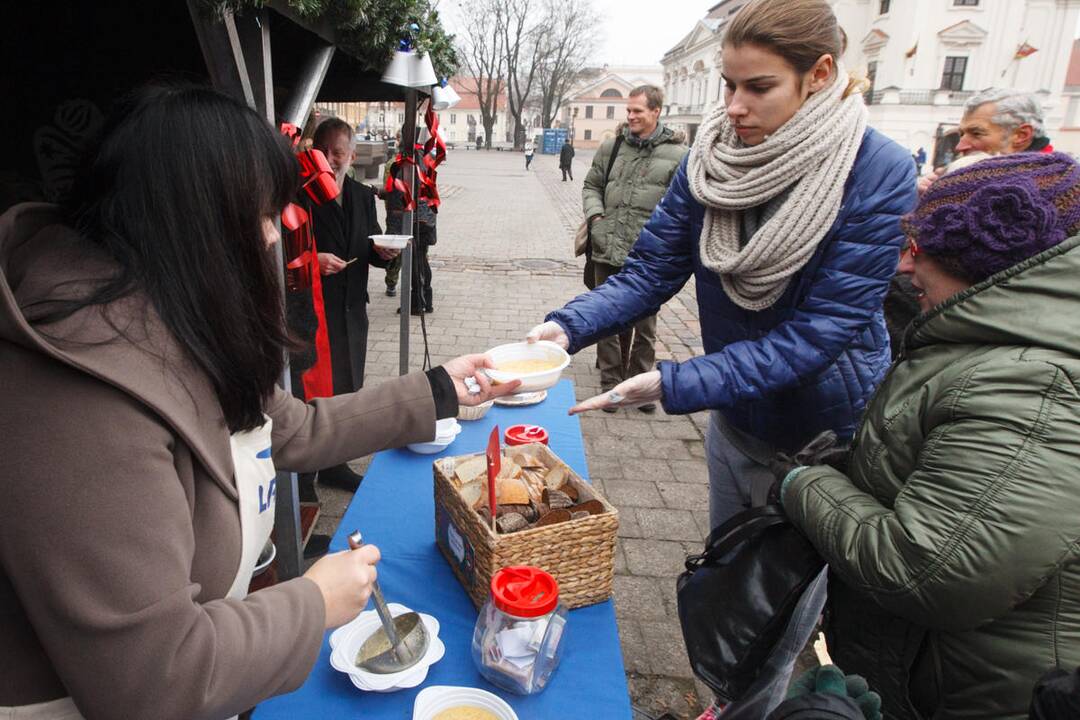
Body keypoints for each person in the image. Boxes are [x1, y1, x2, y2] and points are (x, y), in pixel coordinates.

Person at [0, 84, 516, 719]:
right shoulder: (75, 400)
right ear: (196, 224)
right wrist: (313, 602)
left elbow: (291, 428)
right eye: (265, 216)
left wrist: (439, 388)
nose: (275, 239)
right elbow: (155, 680)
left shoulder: (164, 312)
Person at [528, 0, 915, 715]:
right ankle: (726, 697)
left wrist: (673, 382)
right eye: (728, 85)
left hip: (823, 438)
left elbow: (823, 332)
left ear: (818, 75)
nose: (732, 106)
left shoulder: (878, 170)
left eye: (756, 87)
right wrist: (562, 328)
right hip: (739, 412)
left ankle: (746, 709)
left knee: (777, 605)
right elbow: (649, 272)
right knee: (727, 577)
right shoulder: (711, 157)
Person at [777, 152, 1080, 720]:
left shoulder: (1033, 386)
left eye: (918, 251)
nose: (903, 269)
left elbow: (928, 569)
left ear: (986, 267)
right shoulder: (994, 346)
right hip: (932, 670)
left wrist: (803, 485)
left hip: (969, 694)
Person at [580, 84, 688, 413]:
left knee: (646, 322)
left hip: (650, 254)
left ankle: (639, 384)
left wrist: (666, 240)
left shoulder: (679, 155)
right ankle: (611, 384)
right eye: (629, 111)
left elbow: (682, 206)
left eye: (638, 111)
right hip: (607, 244)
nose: (631, 116)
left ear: (656, 111)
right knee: (605, 319)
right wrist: (597, 217)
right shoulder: (612, 146)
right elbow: (591, 185)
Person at [305, 117, 399, 491]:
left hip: (352, 310)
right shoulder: (302, 195)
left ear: (352, 155)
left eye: (338, 152)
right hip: (314, 311)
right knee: (315, 394)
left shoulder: (361, 196)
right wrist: (315, 261)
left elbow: (368, 248)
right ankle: (306, 473)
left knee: (347, 387)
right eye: (323, 151)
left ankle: (335, 463)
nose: (330, 159)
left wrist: (387, 253)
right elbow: (280, 257)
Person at [918, 88, 1051, 195]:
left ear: (1021, 135)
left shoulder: (1052, 190)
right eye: (962, 134)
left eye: (976, 133)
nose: (959, 146)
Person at [384, 125, 436, 314]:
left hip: (414, 219)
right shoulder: (424, 155)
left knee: (415, 262)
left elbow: (403, 191)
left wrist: (385, 196)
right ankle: (426, 301)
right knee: (421, 260)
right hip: (425, 217)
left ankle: (416, 304)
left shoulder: (409, 159)